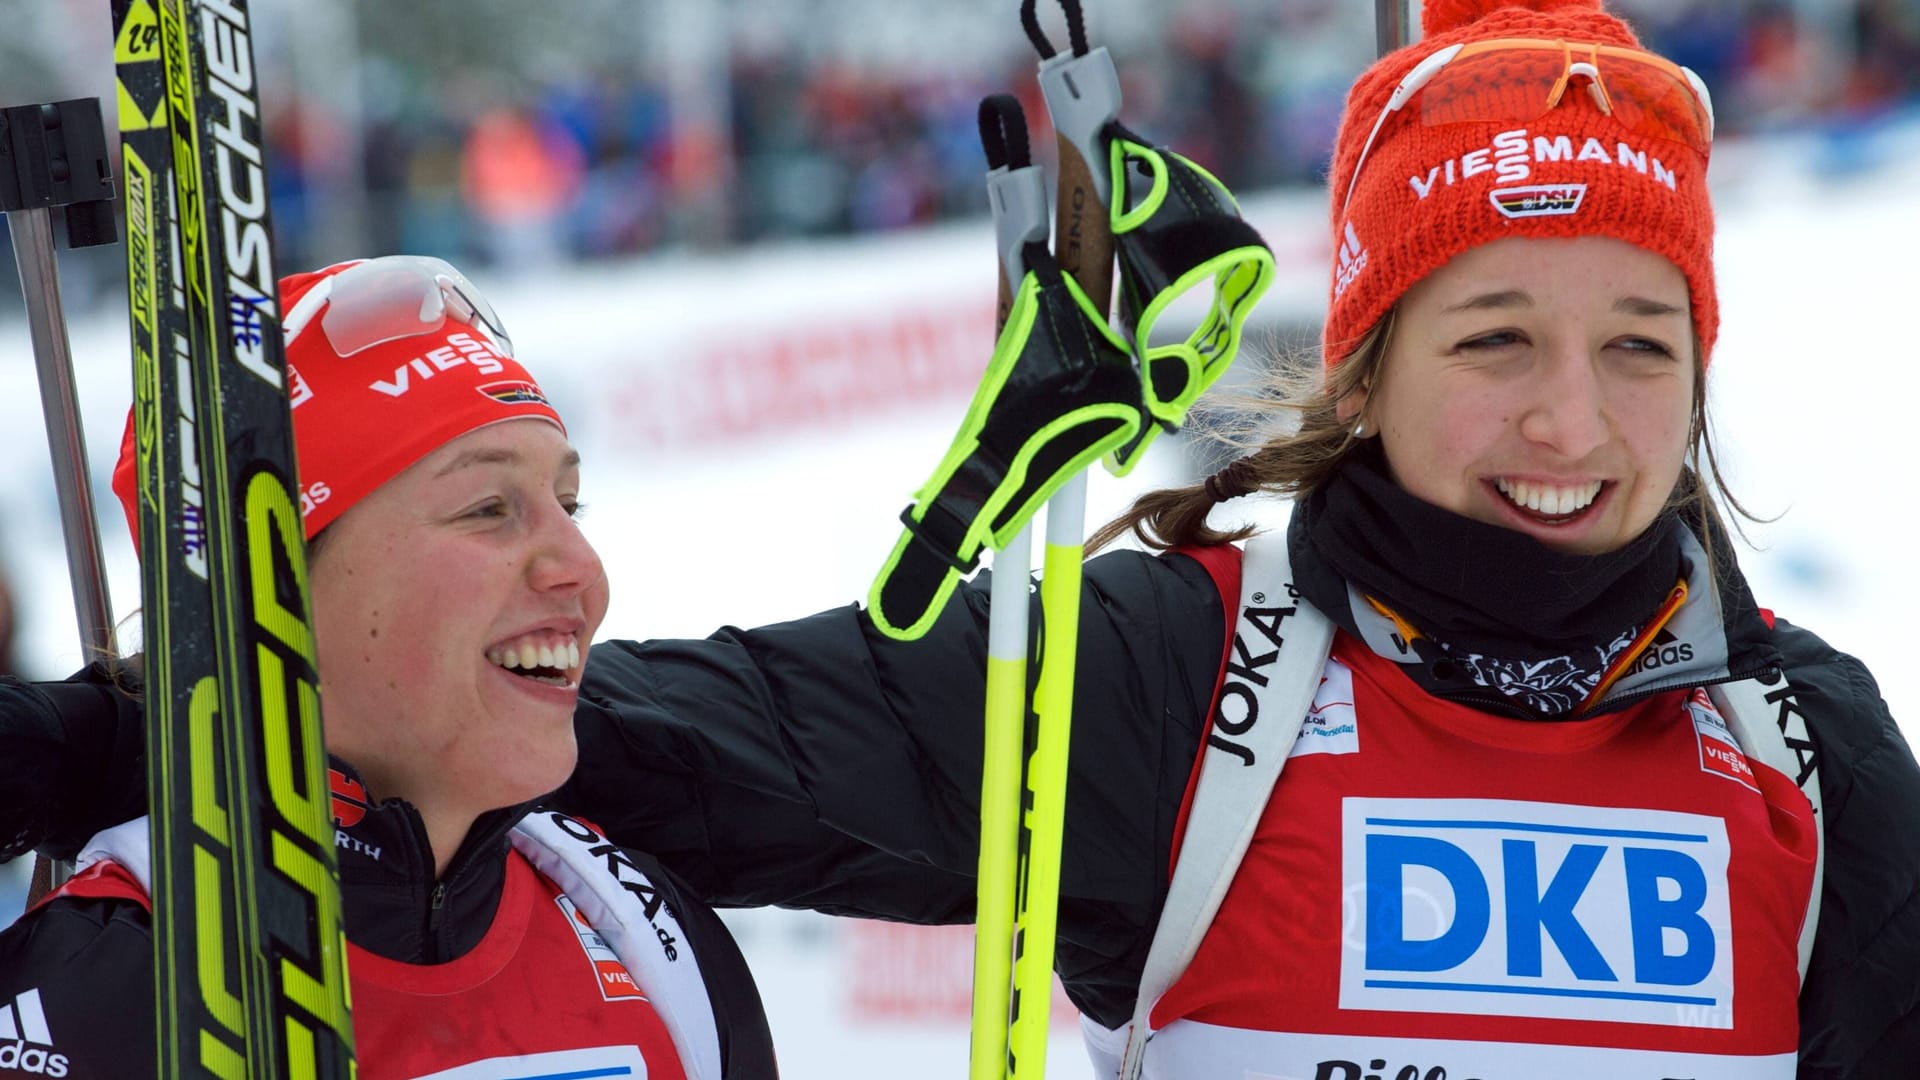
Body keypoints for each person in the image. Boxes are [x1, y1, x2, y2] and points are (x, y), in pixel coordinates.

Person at [3, 0, 1917, 1075]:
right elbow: (657, 740)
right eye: (1494, 338)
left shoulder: (1806, 759)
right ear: (1369, 364)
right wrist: (143, 721)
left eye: (1639, 345)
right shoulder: (1192, 676)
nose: (1571, 425)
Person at [0, 255, 775, 1079]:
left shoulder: (649, 942)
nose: (581, 567)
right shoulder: (94, 1002)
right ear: (270, 593)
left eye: (570, 506)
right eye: (488, 509)